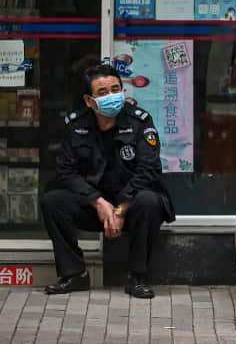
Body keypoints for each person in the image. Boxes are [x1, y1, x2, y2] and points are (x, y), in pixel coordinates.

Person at [39, 64, 174, 298]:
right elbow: (67, 172)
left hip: (132, 206)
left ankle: (137, 277)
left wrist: (120, 209)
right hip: (95, 206)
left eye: (116, 89)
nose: (112, 96)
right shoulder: (76, 125)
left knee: (150, 201)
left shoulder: (139, 121)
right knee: (52, 201)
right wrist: (98, 202)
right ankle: (74, 274)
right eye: (103, 93)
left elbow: (148, 170)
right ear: (89, 101)